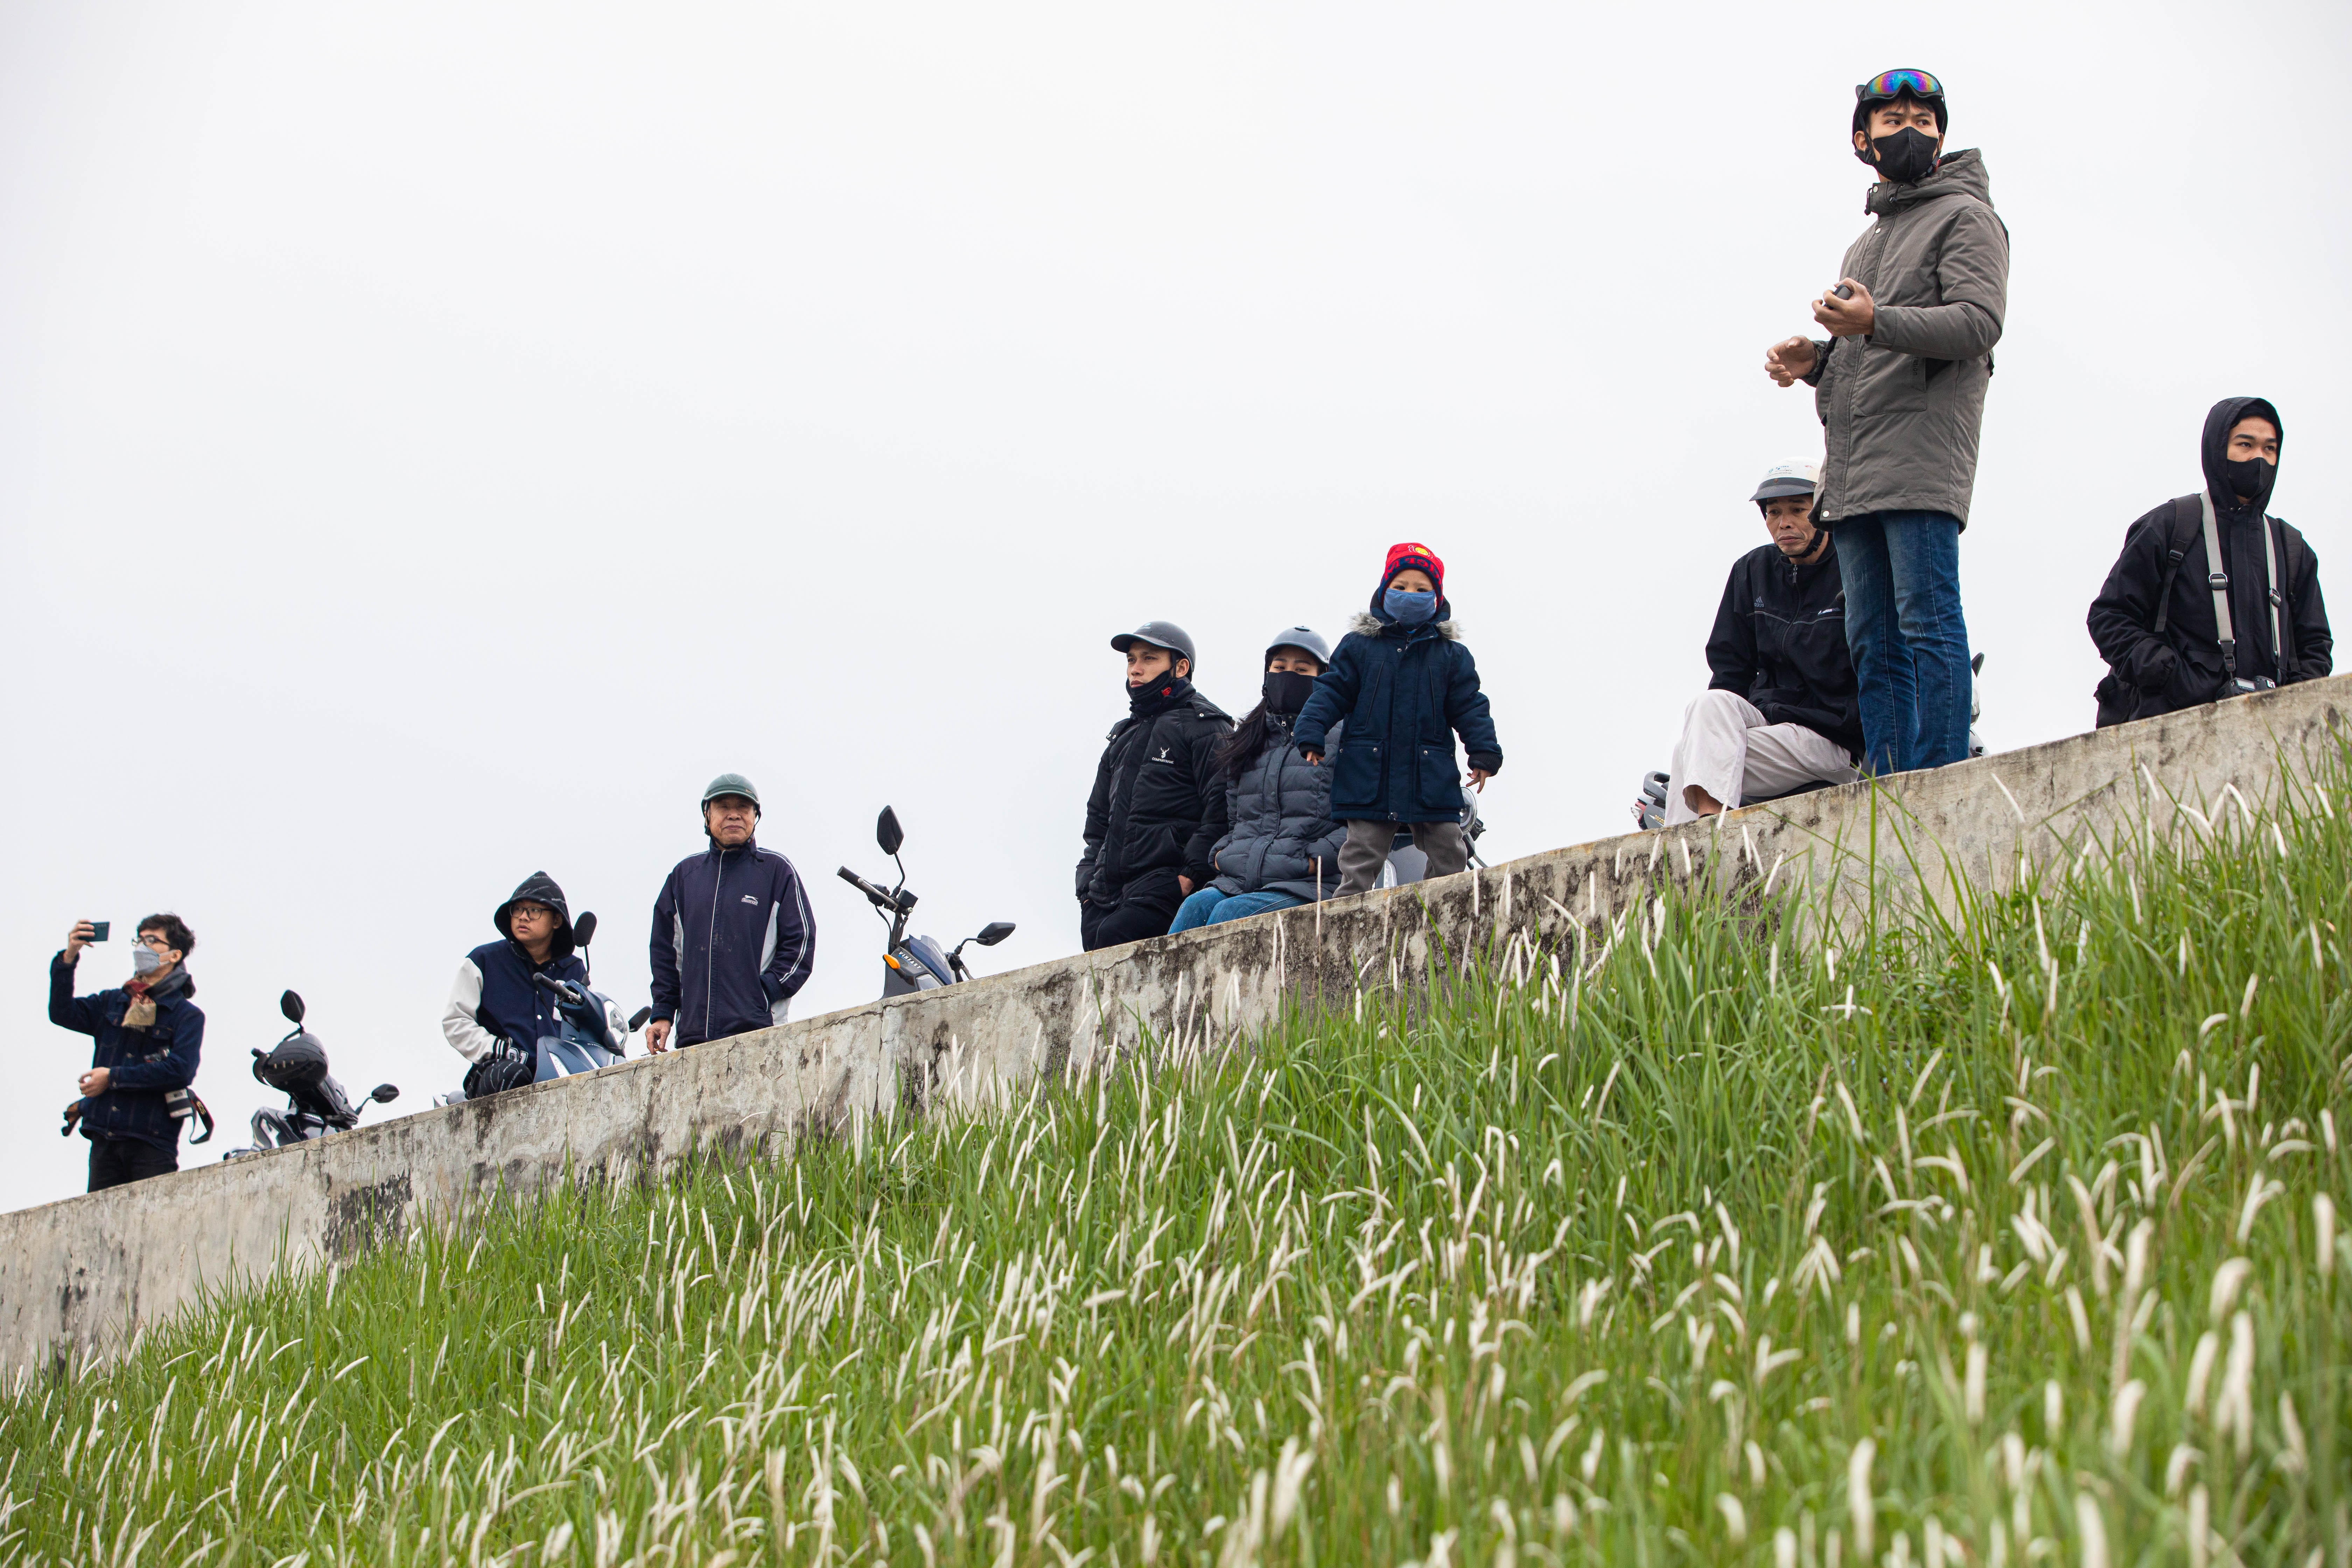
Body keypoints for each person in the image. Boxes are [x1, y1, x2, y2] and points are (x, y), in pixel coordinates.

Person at [1763, 68, 2005, 777]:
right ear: (1862, 140)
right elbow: (1862, 352)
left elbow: (1978, 322)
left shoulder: (1969, 217)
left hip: (1922, 455)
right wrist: (1816, 359)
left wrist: (1877, 320)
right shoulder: (1864, 245)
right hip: (1856, 465)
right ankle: (1891, 778)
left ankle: (1941, 773)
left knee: (1929, 621)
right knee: (1872, 637)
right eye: (1894, 119)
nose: (1911, 130)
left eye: (1925, 120)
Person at [2088, 397, 2331, 723]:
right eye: (2245, 444)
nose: (2258, 458)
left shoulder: (2292, 548)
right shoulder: (2170, 526)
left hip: (2270, 738)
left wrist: (2291, 705)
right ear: (2218, 449)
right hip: (2168, 731)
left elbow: (2315, 647)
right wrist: (2173, 677)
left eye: (2270, 449)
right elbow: (2110, 618)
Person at [1294, 543, 1502, 895]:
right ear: (1383, 591)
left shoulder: (1452, 656)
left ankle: (1443, 911)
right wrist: (1311, 730)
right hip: (1369, 775)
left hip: (1430, 777)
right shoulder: (1359, 646)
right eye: (1401, 586)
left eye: (1423, 590)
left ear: (1437, 599)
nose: (1411, 595)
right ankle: (1344, 924)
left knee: (1450, 851)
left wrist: (1483, 753)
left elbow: (1469, 705)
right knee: (1361, 855)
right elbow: (1332, 691)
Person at [1661, 462, 1863, 824]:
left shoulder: (1855, 569)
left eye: (1798, 510)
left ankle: (1696, 855)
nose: (1784, 523)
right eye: (1774, 513)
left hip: (1831, 737)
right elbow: (1729, 669)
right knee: (1706, 710)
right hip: (1769, 727)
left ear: (1822, 511)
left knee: (1688, 757)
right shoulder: (1752, 571)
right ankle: (1707, 831)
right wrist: (1717, 733)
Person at [1169, 626, 1346, 931]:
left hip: (1303, 884)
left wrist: (1314, 861)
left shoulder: (1342, 738)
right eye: (1279, 667)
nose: (1288, 675)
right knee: (1195, 906)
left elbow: (1358, 823)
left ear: (1322, 678)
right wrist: (1222, 853)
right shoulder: (1250, 740)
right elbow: (1235, 820)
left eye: (1302, 669)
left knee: (1230, 913)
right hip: (1239, 878)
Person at [1078, 621, 1233, 951]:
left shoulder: (1207, 726)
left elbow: (1223, 809)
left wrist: (1188, 878)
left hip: (1166, 888)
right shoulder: (1123, 736)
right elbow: (1097, 822)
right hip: (1102, 899)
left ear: (1181, 667)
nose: (1136, 669)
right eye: (1131, 660)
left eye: (1149, 659)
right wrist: (1086, 887)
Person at [645, 774, 816, 1051]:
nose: (734, 815)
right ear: (707, 815)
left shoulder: (776, 872)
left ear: (755, 816)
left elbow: (800, 945)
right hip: (692, 1042)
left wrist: (764, 993)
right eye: (724, 807)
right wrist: (663, 1014)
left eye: (743, 808)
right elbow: (666, 955)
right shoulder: (684, 878)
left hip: (759, 1036)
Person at [50, 913, 205, 1192]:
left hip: (152, 1143)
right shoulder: (114, 1002)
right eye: (139, 940)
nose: (141, 948)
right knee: (99, 1231)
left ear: (174, 955)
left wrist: (112, 1078)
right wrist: (69, 957)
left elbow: (181, 1070)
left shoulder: (186, 1016)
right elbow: (62, 1013)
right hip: (104, 1139)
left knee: (152, 1229)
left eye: (152, 941)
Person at [442, 872, 603, 1087]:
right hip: (497, 1071)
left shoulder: (574, 970)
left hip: (559, 1074)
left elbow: (588, 1027)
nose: (523, 917)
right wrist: (497, 1049)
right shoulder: (483, 961)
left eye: (534, 910)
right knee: (512, 1075)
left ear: (556, 920)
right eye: (518, 909)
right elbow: (455, 1021)